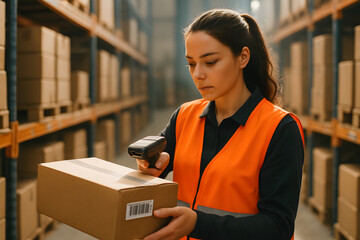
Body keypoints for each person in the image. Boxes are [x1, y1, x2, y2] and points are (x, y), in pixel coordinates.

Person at [137, 8, 305, 240]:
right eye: (191, 64)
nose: (198, 74)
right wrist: (151, 166)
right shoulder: (185, 115)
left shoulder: (280, 128)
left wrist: (198, 223)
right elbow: (157, 166)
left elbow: (278, 227)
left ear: (243, 57)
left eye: (210, 62)